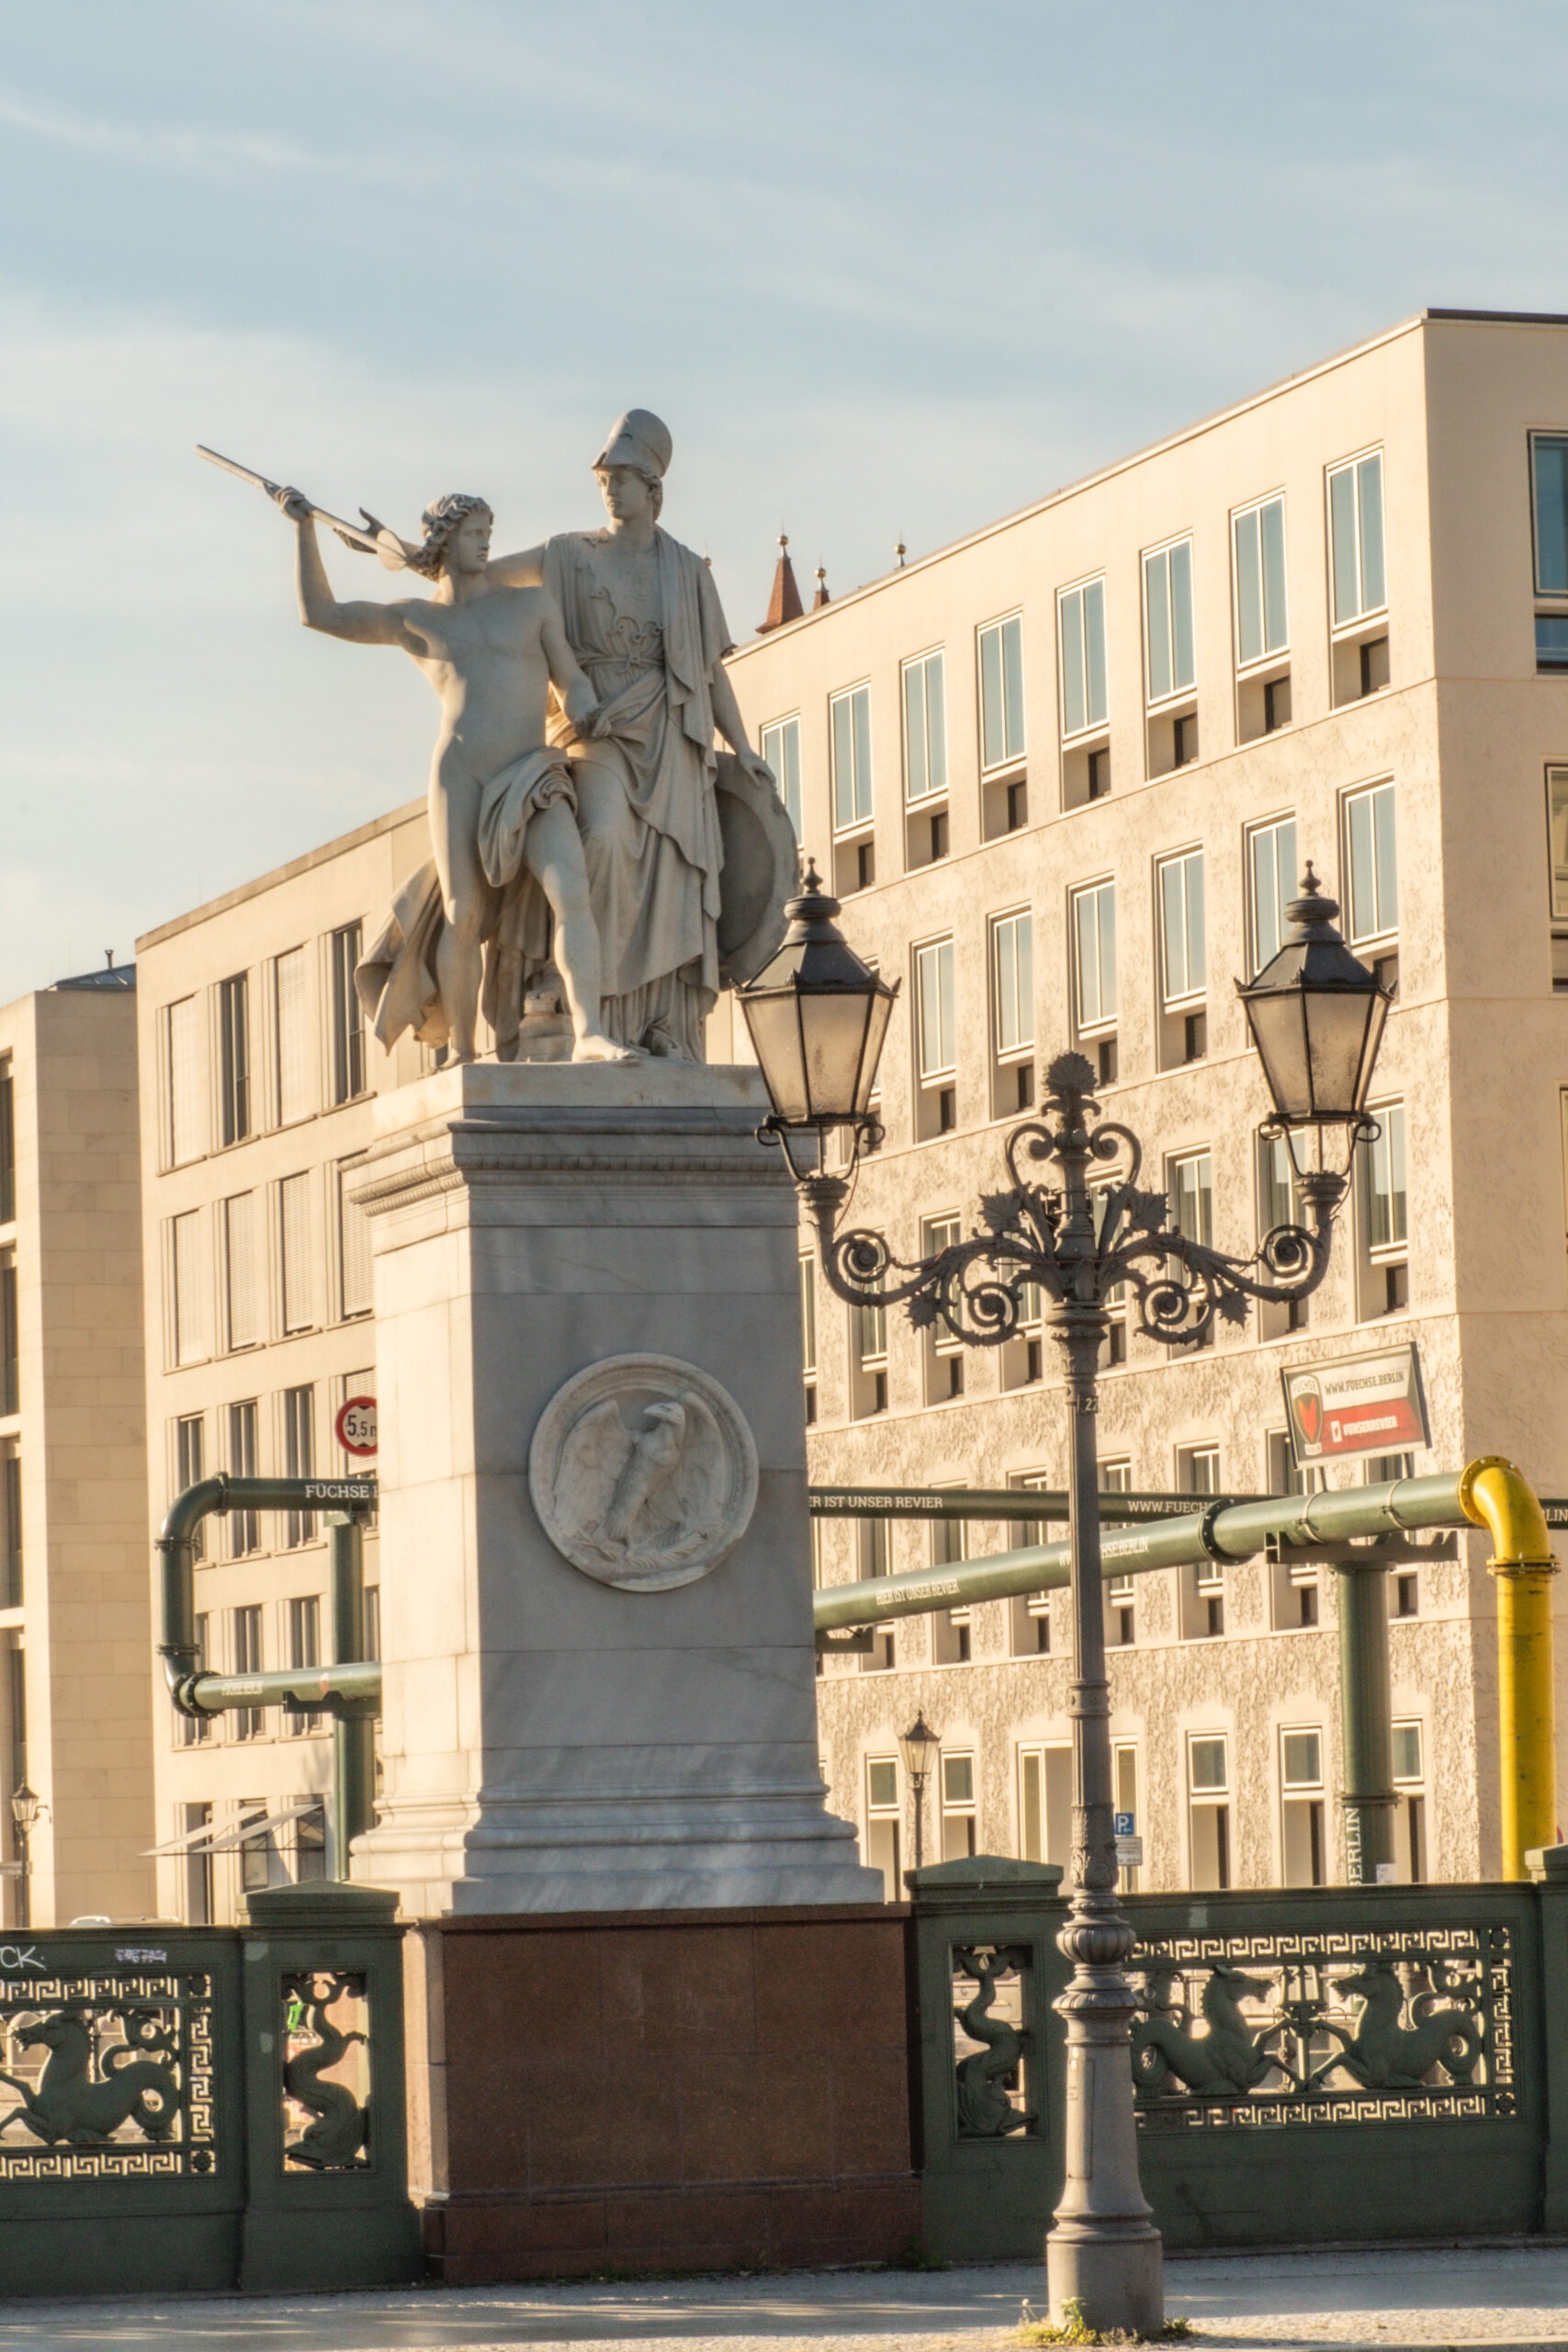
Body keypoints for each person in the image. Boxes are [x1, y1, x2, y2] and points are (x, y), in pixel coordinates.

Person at [274, 484, 631, 1065]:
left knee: (571, 889)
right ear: (445, 540)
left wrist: (584, 707)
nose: (486, 543)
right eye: (474, 533)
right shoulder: (417, 619)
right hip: (460, 773)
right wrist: (303, 528)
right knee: (463, 914)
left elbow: (570, 679)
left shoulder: (532, 606)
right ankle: (463, 1053)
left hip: (531, 772)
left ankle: (590, 1032)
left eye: (489, 532)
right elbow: (322, 615)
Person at [480, 411, 777, 1057]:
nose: (609, 489)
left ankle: (657, 1019)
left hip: (669, 735)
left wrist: (743, 748)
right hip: (595, 726)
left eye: (621, 478)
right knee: (605, 838)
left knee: (673, 873)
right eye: (603, 479)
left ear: (652, 488)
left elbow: (709, 672)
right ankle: (588, 1003)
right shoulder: (567, 554)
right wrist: (439, 559)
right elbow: (483, 575)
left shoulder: (686, 571)